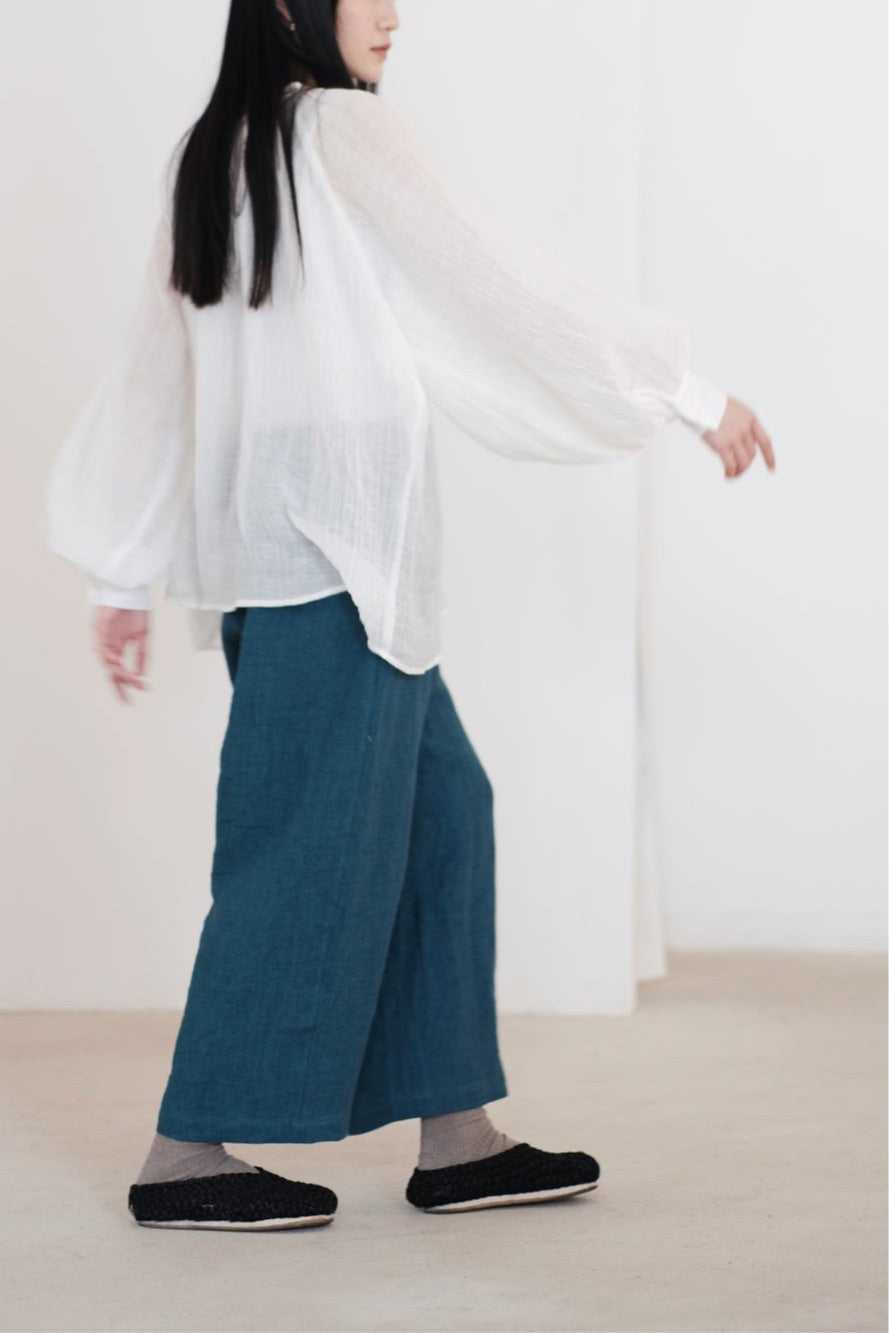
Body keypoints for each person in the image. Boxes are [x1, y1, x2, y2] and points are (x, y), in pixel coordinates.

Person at [42, 0, 776, 1232]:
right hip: (337, 567)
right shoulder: (342, 132)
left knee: (444, 818)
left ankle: (457, 1137)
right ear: (289, 5)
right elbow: (495, 282)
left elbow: (160, 366)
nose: (394, 15)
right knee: (300, 850)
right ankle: (183, 1154)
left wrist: (123, 570)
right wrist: (683, 390)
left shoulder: (212, 151)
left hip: (310, 568)